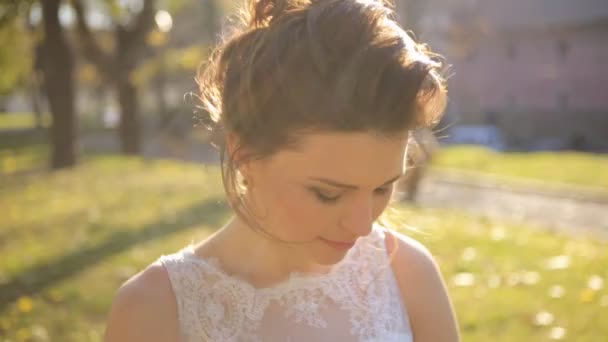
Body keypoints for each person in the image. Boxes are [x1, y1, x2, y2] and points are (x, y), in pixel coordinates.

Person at [104, 0, 459, 340]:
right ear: (244, 153)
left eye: (383, 188)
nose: (363, 225)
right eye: (328, 194)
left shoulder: (408, 275)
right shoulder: (153, 310)